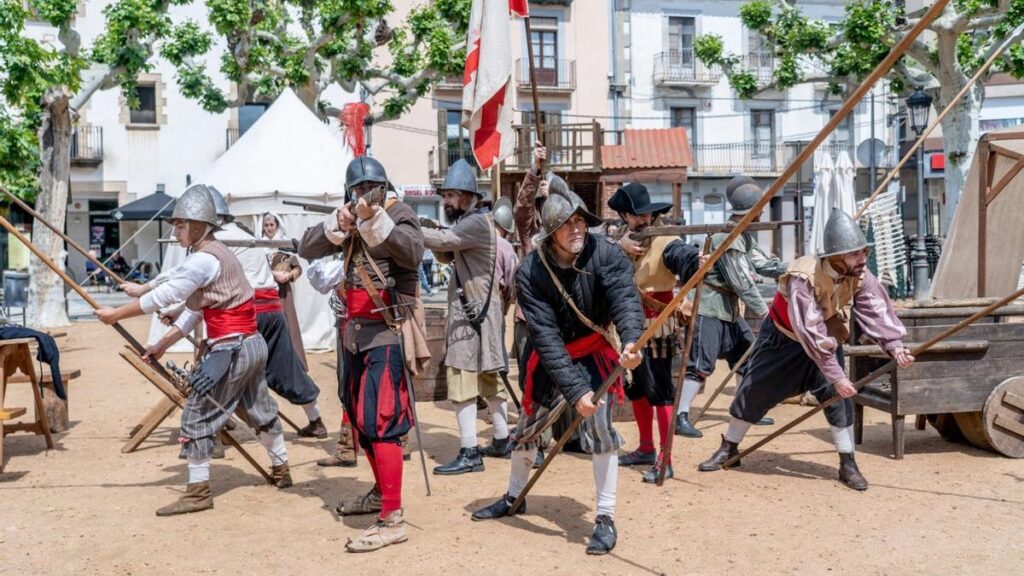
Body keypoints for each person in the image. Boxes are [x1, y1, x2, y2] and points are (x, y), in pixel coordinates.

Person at [95, 185, 291, 515]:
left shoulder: (204, 259)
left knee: (197, 414)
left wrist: (115, 313)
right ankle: (282, 468)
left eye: (181, 225)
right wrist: (161, 344)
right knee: (259, 409)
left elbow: (164, 295)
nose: (176, 231)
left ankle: (199, 492)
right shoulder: (220, 253)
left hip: (232, 349)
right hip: (249, 345)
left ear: (200, 226)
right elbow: (198, 310)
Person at [471, 189, 644, 556]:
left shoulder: (608, 255)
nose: (577, 228)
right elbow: (545, 338)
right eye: (568, 224)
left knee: (600, 430)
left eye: (581, 220)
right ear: (551, 233)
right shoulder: (531, 272)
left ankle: (605, 517)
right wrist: (576, 390)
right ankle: (514, 497)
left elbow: (626, 300)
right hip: (551, 360)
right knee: (528, 427)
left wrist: (631, 341)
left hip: (595, 352)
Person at [697, 208, 915, 491]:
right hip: (784, 338)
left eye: (864, 252)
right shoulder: (804, 276)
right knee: (754, 389)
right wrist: (837, 374)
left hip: (824, 335)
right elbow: (809, 329)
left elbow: (877, 311)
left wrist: (895, 347)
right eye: (855, 254)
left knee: (837, 397)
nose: (862, 259)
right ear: (836, 257)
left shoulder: (860, 275)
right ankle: (730, 447)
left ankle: (847, 462)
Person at [124, 188, 327, 438]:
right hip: (271, 310)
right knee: (286, 368)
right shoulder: (242, 234)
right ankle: (315, 419)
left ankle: (213, 433)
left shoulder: (218, 242)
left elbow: (185, 276)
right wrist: (179, 310)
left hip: (243, 315)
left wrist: (147, 288)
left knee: (216, 372)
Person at [299, 155, 426, 552]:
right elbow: (306, 248)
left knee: (383, 420)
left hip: (386, 331)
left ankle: (392, 517)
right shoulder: (349, 219)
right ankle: (378, 493)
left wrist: (374, 221)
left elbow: (412, 253)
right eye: (357, 190)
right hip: (353, 333)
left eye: (369, 188)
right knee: (359, 416)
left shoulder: (400, 214)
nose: (363, 195)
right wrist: (338, 224)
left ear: (384, 187)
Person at [667, 182, 786, 438]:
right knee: (700, 365)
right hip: (709, 308)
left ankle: (744, 409)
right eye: (759, 209)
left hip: (729, 310)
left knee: (748, 357)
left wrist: (791, 268)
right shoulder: (727, 238)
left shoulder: (744, 236)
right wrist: (765, 312)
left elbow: (761, 264)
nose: (762, 214)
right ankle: (680, 416)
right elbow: (741, 281)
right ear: (750, 211)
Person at [607, 183, 702, 483]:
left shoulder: (666, 240)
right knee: (637, 390)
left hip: (657, 329)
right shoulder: (619, 240)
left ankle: (666, 458)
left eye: (644, 215)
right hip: (627, 327)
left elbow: (682, 256)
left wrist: (695, 261)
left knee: (660, 393)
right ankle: (646, 448)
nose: (640, 221)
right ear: (624, 216)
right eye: (634, 216)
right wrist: (619, 247)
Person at [424, 159, 511, 473]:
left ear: (465, 195)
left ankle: (469, 450)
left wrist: (409, 228)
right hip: (481, 314)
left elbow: (447, 242)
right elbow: (447, 252)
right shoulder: (475, 221)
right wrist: (432, 232)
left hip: (470, 315)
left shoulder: (473, 223)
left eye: (449, 196)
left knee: (460, 381)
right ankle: (501, 439)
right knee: (490, 378)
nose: (445, 201)